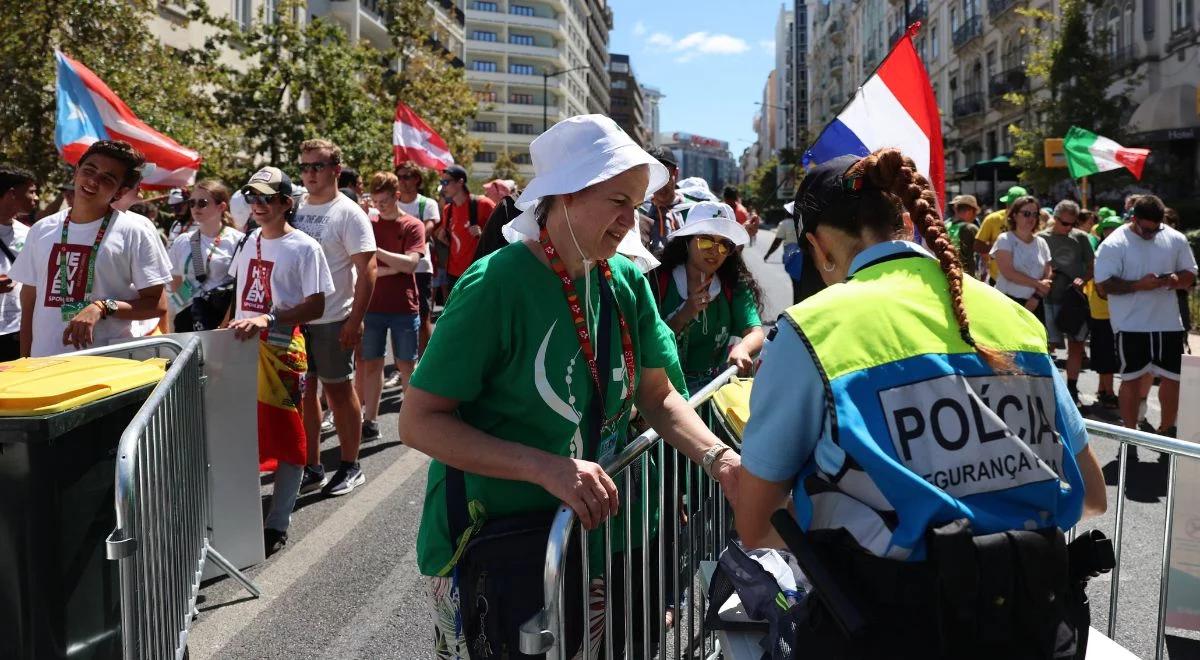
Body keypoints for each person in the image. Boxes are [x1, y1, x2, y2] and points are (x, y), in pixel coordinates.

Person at [734, 149, 1106, 659]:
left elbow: (755, 524)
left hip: (888, 624)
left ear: (819, 247)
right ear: (906, 222)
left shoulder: (811, 329)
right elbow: (1090, 496)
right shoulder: (1009, 315)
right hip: (1031, 624)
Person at [397, 115, 740, 657]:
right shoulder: (494, 285)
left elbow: (658, 396)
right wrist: (545, 467)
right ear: (566, 194)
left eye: (636, 205)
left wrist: (720, 460)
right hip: (503, 544)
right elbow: (418, 421)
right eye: (618, 202)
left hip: (600, 542)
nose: (632, 222)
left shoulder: (624, 279)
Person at [227, 166, 333, 554]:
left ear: (286, 203)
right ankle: (240, 515)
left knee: (287, 434)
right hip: (240, 351)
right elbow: (238, 298)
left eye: (266, 198)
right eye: (251, 196)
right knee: (242, 434)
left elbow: (318, 304)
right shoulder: (250, 240)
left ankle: (278, 522)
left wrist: (268, 318)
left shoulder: (305, 247)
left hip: (283, 350)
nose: (257, 204)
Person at [9, 140, 171, 358]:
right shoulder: (41, 229)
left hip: (105, 368)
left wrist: (103, 307)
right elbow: (29, 299)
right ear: (76, 172)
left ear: (120, 191)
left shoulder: (134, 232)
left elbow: (157, 305)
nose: (93, 181)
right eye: (89, 170)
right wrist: (25, 359)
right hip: (45, 364)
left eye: (107, 178)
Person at [292, 138, 378, 497]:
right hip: (297, 319)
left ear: (335, 171)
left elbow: (368, 268)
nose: (310, 173)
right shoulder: (294, 206)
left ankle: (350, 465)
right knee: (304, 393)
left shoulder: (349, 212)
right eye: (305, 166)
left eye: (318, 166)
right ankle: (312, 465)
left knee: (339, 391)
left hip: (333, 317)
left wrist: (355, 320)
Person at [1095, 195, 1198, 440]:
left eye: (1156, 229)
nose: (1151, 234)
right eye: (1146, 230)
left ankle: (1166, 431)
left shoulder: (1175, 238)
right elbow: (1103, 285)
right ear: (1133, 219)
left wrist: (1176, 280)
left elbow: (1190, 274)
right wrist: (1138, 285)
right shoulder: (1114, 243)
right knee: (1131, 379)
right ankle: (1130, 435)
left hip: (1168, 323)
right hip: (1131, 324)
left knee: (1173, 379)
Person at [654, 201, 764, 391]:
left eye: (724, 245)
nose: (715, 250)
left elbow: (756, 332)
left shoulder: (733, 283)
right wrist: (685, 313)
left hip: (717, 387)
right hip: (666, 390)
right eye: (705, 240)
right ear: (687, 240)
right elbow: (648, 340)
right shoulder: (658, 279)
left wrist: (743, 348)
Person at [356, 172, 425, 441]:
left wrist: (377, 254)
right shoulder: (368, 224)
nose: (379, 206)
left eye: (384, 200)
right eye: (376, 201)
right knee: (371, 364)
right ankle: (370, 420)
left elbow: (410, 264)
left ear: (396, 197)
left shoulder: (412, 225)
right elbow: (361, 266)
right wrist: (388, 268)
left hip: (403, 307)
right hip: (372, 306)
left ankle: (415, 420)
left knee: (406, 365)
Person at [168, 179, 244, 331]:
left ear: (221, 207)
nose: (195, 207)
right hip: (187, 315)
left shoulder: (238, 241)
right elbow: (175, 280)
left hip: (221, 319)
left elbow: (241, 288)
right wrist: (181, 310)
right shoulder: (182, 241)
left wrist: (224, 326)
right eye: (191, 203)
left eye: (202, 203)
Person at [1039, 200, 1094, 406]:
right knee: (1047, 345)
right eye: (1064, 223)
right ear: (1055, 218)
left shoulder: (1080, 238)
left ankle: (1072, 387)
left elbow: (1091, 265)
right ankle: (1048, 388)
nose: (1068, 227)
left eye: (1072, 223)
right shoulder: (1041, 239)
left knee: (1077, 345)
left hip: (1074, 300)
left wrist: (1084, 279)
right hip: (1049, 299)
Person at [395, 161, 440, 362]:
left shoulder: (426, 204)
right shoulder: (392, 203)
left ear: (417, 179)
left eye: (407, 177)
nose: (402, 181)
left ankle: (424, 362)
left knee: (422, 318)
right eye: (399, 177)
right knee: (397, 319)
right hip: (395, 269)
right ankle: (401, 365)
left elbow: (427, 229)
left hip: (421, 268)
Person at [990, 195, 1052, 322]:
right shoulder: (1005, 239)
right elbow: (1009, 273)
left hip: (1035, 303)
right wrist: (1038, 284)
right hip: (1008, 302)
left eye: (1035, 214)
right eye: (1026, 214)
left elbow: (1048, 273)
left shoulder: (1041, 242)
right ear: (1014, 215)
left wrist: (1036, 296)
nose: (1031, 218)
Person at [435, 164, 495, 292]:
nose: (443, 186)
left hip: (478, 272)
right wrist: (443, 238)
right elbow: (452, 239)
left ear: (460, 182)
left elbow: (503, 234)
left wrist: (482, 234)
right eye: (441, 182)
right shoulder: (448, 210)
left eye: (446, 181)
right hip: (453, 274)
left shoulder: (483, 204)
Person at [1086, 214, 1125, 410]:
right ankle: (1109, 393)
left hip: (1115, 310)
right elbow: (1102, 287)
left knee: (1107, 353)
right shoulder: (1102, 252)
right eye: (1108, 228)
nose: (1112, 232)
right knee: (1107, 354)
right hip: (1103, 311)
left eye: (1115, 228)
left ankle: (1103, 388)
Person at [0, 165, 36, 361]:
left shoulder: (30, 233)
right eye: (31, 191)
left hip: (17, 331)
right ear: (12, 194)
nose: (36, 198)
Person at [639, 146, 685, 259]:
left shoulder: (689, 210)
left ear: (676, 173)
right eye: (654, 177)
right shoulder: (638, 210)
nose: (660, 185)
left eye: (665, 177)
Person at [974, 184, 1026, 282]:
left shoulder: (1033, 220)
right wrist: (998, 249)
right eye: (1009, 204)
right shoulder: (993, 219)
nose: (1009, 207)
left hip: (1025, 279)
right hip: (998, 279)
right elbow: (977, 245)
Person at [945, 194, 980, 274]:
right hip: (967, 275)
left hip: (948, 271)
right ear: (970, 211)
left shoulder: (946, 225)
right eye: (975, 212)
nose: (975, 216)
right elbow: (982, 252)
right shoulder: (971, 228)